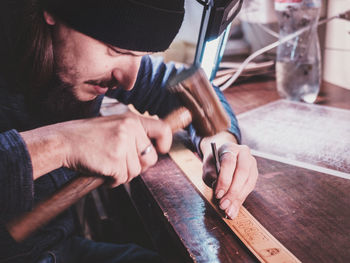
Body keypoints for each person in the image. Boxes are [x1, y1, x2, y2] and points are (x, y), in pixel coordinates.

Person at [0, 0, 258, 262]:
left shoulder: (84, 61)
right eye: (116, 50)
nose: (128, 80)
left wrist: (221, 144)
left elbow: (183, 84)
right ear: (53, 10)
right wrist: (63, 144)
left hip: (57, 251)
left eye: (141, 55)